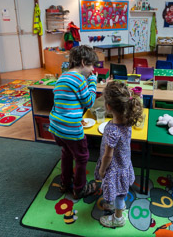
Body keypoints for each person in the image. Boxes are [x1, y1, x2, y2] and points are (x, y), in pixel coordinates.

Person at [49, 45, 99, 199]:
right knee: (82, 157)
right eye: (91, 66)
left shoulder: (63, 77)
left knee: (66, 153)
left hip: (57, 127)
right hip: (71, 129)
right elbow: (89, 102)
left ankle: (64, 183)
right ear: (83, 62)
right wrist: (92, 82)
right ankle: (79, 189)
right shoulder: (79, 79)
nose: (92, 70)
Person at [94, 81, 143, 228]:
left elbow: (108, 156)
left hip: (114, 167)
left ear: (108, 107)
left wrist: (102, 169)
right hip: (124, 164)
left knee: (120, 195)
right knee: (120, 191)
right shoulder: (128, 121)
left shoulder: (111, 129)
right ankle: (116, 206)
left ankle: (118, 218)